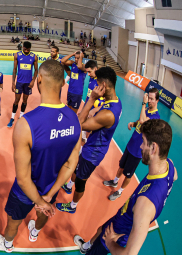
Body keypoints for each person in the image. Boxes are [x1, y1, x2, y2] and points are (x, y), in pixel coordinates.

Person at [0, 60, 82, 252]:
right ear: (63, 84)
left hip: (24, 193)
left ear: (39, 79)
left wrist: (39, 201)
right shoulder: (75, 119)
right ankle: (35, 233)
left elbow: (24, 179)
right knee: (44, 213)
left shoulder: (26, 124)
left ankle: (8, 244)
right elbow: (71, 163)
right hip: (52, 186)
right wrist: (48, 197)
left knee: (13, 222)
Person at [74, 119, 177, 255]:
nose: (140, 146)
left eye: (144, 142)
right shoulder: (170, 167)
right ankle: (86, 245)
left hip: (116, 235)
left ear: (154, 148)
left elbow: (129, 253)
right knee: (101, 229)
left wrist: (110, 243)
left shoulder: (145, 203)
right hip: (121, 217)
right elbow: (174, 177)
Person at [56, 67, 122, 214]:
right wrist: (94, 110)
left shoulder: (108, 114)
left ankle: (72, 206)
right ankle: (68, 185)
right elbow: (100, 112)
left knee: (81, 181)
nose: (95, 87)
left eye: (97, 84)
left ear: (104, 86)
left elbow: (78, 124)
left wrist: (91, 99)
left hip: (93, 153)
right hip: (92, 147)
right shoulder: (116, 102)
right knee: (76, 168)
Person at [103, 89, 160, 201]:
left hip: (138, 151)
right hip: (130, 145)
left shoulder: (156, 117)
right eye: (149, 98)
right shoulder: (147, 110)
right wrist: (134, 123)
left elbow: (144, 121)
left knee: (128, 174)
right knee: (121, 165)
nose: (149, 101)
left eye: (152, 99)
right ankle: (114, 181)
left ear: (157, 100)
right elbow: (140, 120)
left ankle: (119, 191)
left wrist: (143, 104)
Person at [7, 41, 38, 128]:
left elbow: (36, 70)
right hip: (19, 82)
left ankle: (21, 116)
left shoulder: (34, 57)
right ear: (22, 47)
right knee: (16, 100)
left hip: (28, 83)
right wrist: (13, 82)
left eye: (28, 49)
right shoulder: (17, 55)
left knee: (25, 100)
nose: (27, 50)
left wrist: (33, 81)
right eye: (25, 49)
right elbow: (14, 69)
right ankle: (12, 118)